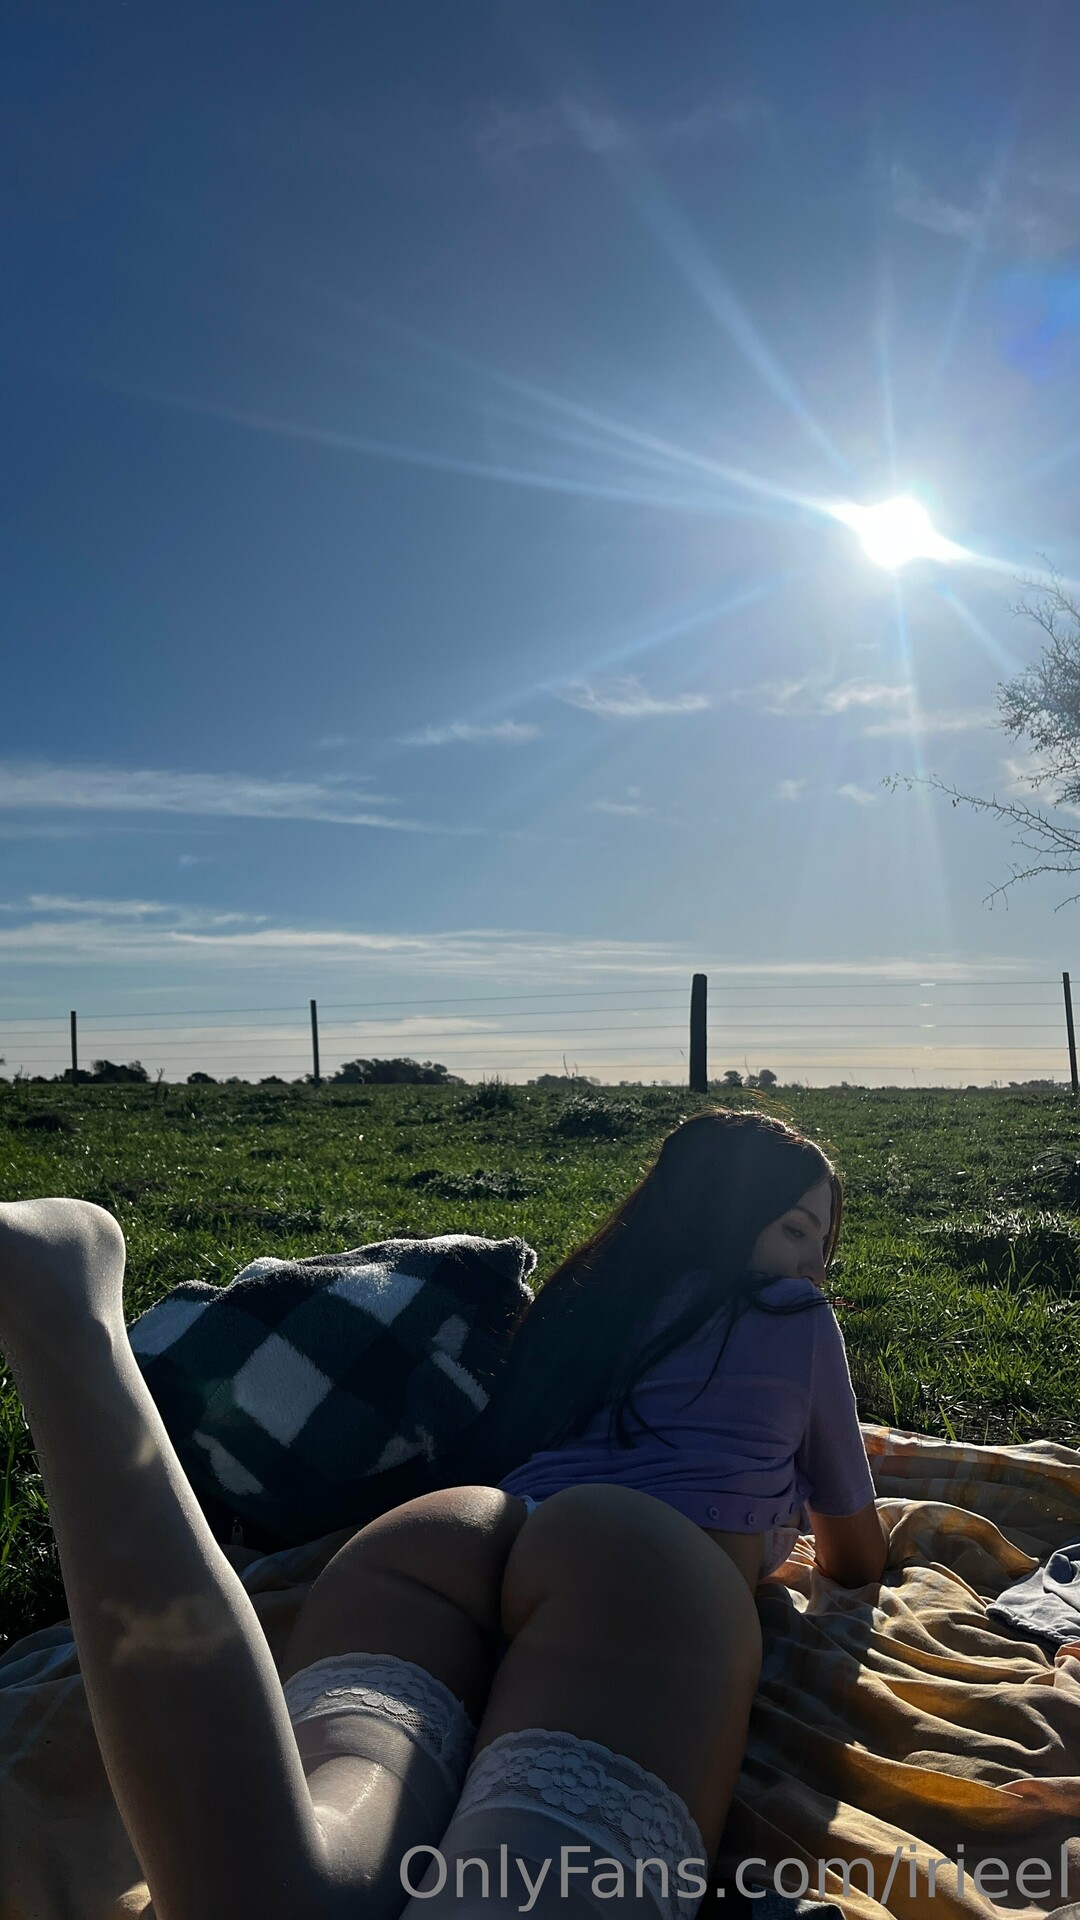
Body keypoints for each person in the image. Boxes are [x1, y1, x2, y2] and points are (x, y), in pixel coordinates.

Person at [0, 1109, 887, 1920]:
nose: (814, 1266)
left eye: (824, 1245)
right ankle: (70, 1320)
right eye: (796, 1230)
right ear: (724, 1214)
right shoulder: (793, 1312)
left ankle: (69, 1319)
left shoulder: (587, 1305)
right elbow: (853, 1551)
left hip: (450, 1537)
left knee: (292, 1883)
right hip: (644, 1566)